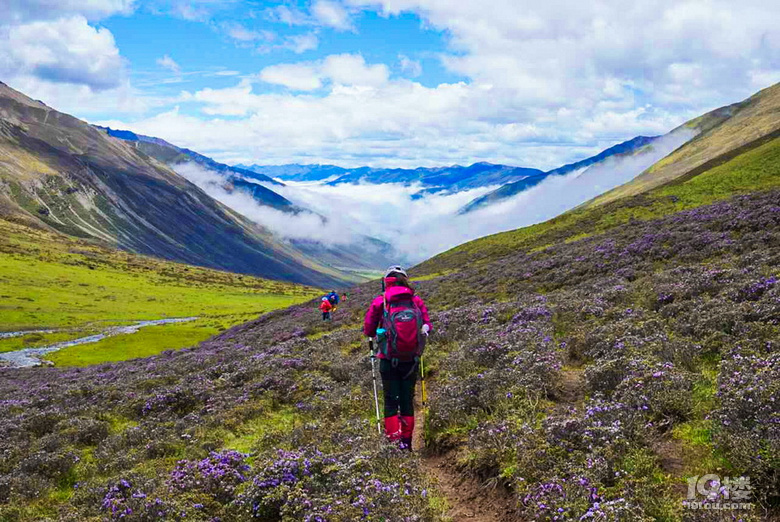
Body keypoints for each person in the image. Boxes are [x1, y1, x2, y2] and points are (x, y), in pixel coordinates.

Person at [363, 265, 431, 450]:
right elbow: (426, 325)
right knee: (407, 400)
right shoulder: (415, 301)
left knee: (391, 400)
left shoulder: (381, 301)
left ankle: (393, 442)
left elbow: (368, 330)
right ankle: (406, 443)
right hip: (411, 360)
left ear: (386, 282)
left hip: (387, 358)